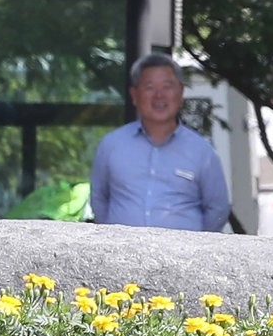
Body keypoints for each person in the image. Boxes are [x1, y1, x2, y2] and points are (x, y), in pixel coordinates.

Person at [90, 53, 231, 232]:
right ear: (134, 95)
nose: (159, 96)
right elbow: (99, 198)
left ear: (180, 93)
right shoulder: (111, 145)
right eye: (149, 87)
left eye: (167, 86)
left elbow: (218, 208)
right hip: (121, 255)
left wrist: (195, 246)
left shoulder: (202, 152)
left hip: (183, 257)